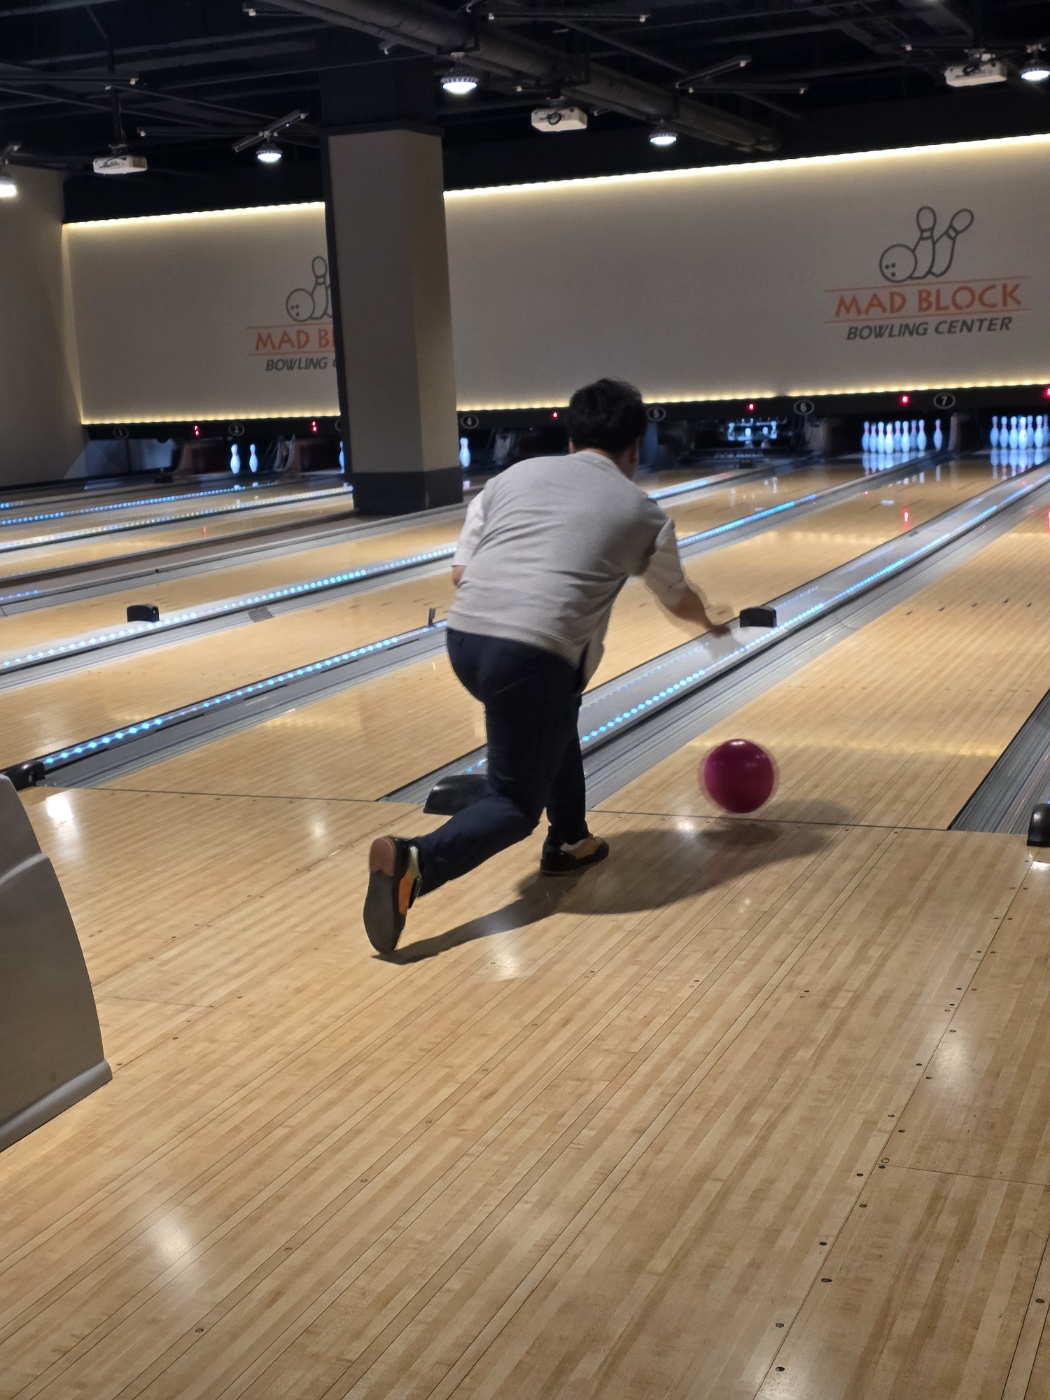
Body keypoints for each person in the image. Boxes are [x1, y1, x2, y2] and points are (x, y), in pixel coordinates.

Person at [363, 378, 730, 954]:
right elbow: (676, 596)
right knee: (512, 805)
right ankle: (417, 862)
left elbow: (461, 574)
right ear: (636, 447)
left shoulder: (511, 478)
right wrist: (710, 621)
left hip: (465, 639)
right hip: (531, 656)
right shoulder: (642, 512)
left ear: (571, 438)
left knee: (554, 714)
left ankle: (571, 840)